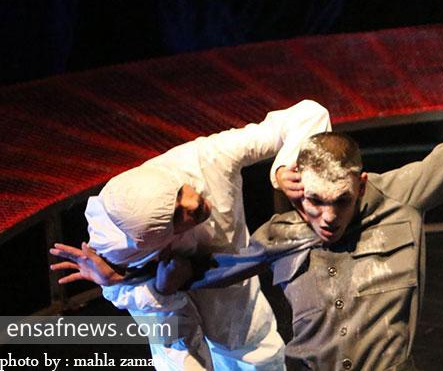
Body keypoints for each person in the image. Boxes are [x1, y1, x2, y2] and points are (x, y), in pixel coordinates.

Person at [53, 58, 443, 370]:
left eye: (339, 201)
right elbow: (203, 273)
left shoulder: (397, 197)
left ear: (360, 186)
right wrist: (123, 282)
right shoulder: (278, 234)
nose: (325, 217)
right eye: (313, 203)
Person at [51, 100, 332, 370]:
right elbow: (128, 295)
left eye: (179, 192)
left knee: (258, 358)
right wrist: (153, 287)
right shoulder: (116, 237)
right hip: (167, 303)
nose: (192, 203)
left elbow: (308, 114)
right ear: (162, 239)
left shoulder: (209, 158)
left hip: (230, 292)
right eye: (177, 215)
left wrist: (286, 167)